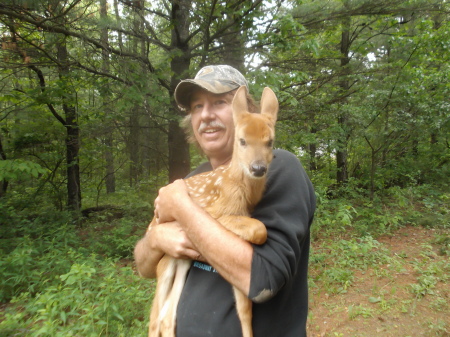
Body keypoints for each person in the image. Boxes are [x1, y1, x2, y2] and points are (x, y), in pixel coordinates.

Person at [134, 65, 316, 337]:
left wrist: (183, 209)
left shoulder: (278, 169)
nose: (206, 115)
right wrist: (156, 238)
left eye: (219, 103)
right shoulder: (193, 180)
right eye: (197, 106)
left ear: (243, 113)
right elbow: (144, 267)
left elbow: (263, 280)